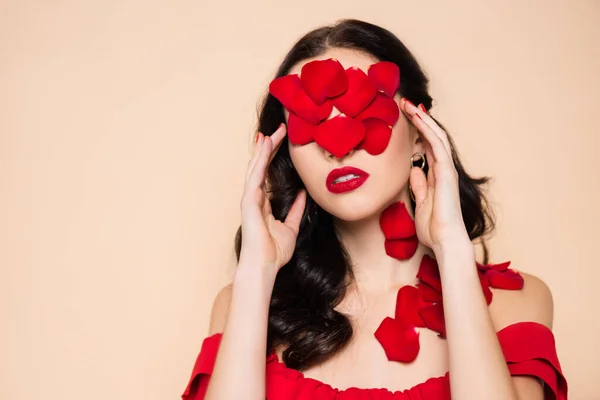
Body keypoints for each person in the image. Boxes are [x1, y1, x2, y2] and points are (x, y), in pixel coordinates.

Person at [181, 19, 568, 400]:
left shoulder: (518, 303)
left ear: (419, 132)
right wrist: (256, 274)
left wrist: (452, 249)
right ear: (287, 157)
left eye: (361, 109)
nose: (337, 145)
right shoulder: (241, 304)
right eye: (309, 123)